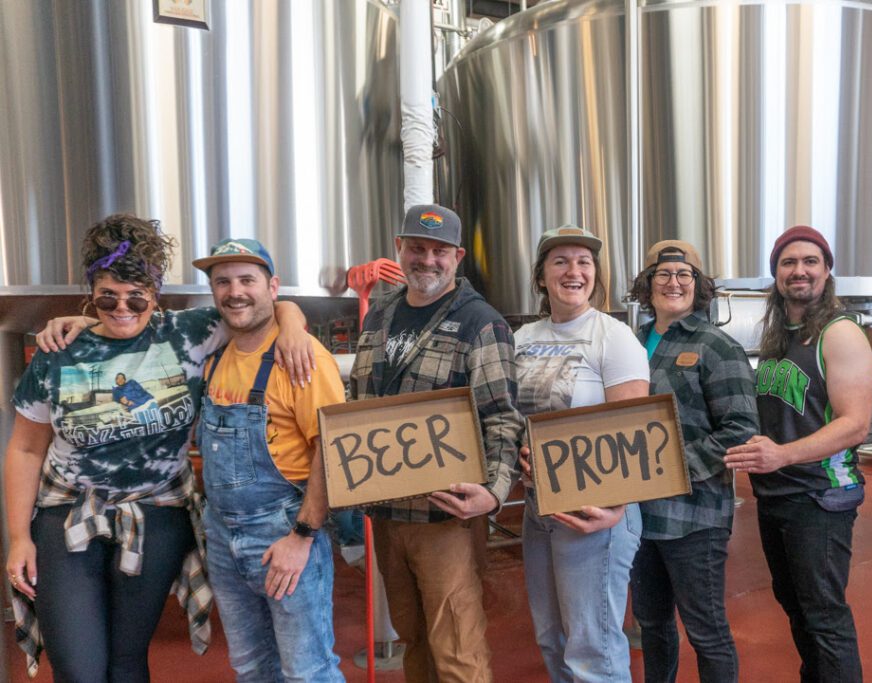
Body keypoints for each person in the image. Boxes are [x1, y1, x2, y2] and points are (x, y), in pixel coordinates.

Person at [3, 214, 310, 681]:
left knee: (127, 661)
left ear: (155, 294)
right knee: (79, 667)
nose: (122, 308)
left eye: (136, 297)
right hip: (68, 513)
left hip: (158, 512)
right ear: (91, 293)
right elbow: (25, 449)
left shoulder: (187, 331)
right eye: (107, 297)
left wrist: (292, 325)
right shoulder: (59, 350)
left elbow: (266, 304)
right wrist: (19, 537)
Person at [349, 204, 524, 683]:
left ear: (458, 256)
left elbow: (503, 417)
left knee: (457, 650)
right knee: (414, 640)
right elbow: (360, 406)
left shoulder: (480, 322)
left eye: (439, 251)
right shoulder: (378, 317)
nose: (427, 259)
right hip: (386, 513)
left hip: (445, 516)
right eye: (417, 248)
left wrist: (494, 491)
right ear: (398, 249)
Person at [724, 225, 872, 683]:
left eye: (811, 261)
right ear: (776, 275)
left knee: (823, 616)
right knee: (796, 607)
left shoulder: (839, 333)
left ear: (827, 272)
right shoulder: (778, 337)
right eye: (789, 263)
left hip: (820, 497)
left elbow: (854, 424)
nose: (799, 271)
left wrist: (783, 456)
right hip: (778, 495)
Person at [192, 238, 347, 681]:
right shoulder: (215, 355)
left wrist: (301, 537)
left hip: (283, 533)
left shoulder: (302, 358)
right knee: (252, 667)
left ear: (273, 287)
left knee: (307, 671)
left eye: (247, 279)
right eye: (222, 281)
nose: (234, 291)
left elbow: (331, 453)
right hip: (222, 537)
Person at [515, 225, 649, 683]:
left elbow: (636, 432)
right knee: (552, 638)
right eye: (561, 261)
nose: (574, 271)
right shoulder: (523, 336)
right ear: (542, 275)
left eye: (584, 262)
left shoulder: (613, 337)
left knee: (592, 650)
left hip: (597, 511)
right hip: (539, 509)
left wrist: (618, 505)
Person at [626, 240, 758, 683]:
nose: (673, 283)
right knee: (653, 627)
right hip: (637, 516)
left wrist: (669, 469)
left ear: (700, 286)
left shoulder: (717, 346)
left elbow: (740, 429)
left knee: (707, 631)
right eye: (662, 275)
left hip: (694, 517)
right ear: (647, 284)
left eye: (685, 275)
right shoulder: (631, 342)